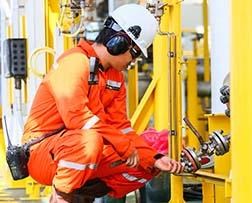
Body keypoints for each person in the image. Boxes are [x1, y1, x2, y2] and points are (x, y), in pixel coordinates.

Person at [21, 4, 183, 202]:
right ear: (119, 43)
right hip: (44, 154)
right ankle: (61, 196)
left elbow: (122, 128)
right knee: (89, 141)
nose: (134, 62)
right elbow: (77, 119)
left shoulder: (115, 78)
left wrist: (155, 158)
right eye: (135, 54)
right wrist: (123, 145)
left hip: (82, 151)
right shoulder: (74, 62)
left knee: (146, 160)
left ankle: (81, 195)